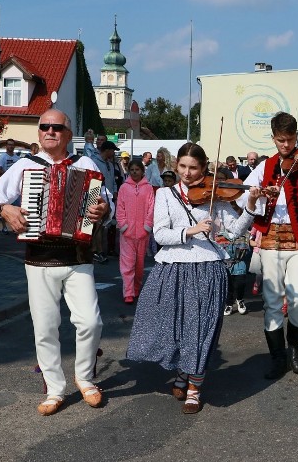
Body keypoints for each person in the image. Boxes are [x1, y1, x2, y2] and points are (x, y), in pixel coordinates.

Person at [0, 108, 114, 416]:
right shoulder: (26, 165)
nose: (50, 131)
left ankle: (85, 378)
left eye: (57, 127)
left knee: (91, 321)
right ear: (39, 132)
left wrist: (102, 211)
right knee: (45, 328)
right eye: (44, 127)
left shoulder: (85, 163)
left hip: (78, 257)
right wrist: (5, 208)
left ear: (68, 135)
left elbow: (106, 202)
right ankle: (55, 389)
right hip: (39, 258)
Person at [125, 142, 261, 414]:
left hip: (208, 268)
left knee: (200, 328)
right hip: (172, 268)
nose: (187, 173)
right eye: (183, 167)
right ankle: (181, 372)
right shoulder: (164, 194)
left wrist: (250, 206)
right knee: (172, 325)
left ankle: (195, 386)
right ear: (176, 165)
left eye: (194, 168)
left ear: (204, 168)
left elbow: (233, 233)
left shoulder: (217, 196)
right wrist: (191, 230)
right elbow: (160, 235)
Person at [238, 112, 298, 378]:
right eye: (280, 141)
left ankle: (295, 345)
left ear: (296, 136)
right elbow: (245, 199)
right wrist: (257, 196)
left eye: (289, 140)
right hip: (269, 239)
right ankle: (277, 356)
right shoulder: (265, 167)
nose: (285, 147)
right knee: (272, 301)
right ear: (274, 138)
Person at [115, 158, 154, 304]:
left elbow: (151, 208)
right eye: (131, 170)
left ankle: (137, 287)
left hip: (143, 233)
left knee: (139, 264)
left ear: (142, 171)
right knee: (127, 263)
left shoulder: (148, 188)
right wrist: (123, 225)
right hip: (127, 233)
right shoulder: (124, 188)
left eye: (137, 170)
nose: (134, 172)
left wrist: (147, 226)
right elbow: (120, 208)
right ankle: (128, 292)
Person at [91, 140, 120, 263]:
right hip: (98, 195)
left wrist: (114, 192)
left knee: (104, 225)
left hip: (109, 197)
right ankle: (97, 251)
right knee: (98, 224)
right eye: (112, 150)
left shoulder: (110, 163)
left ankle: (99, 250)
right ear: (107, 150)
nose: (113, 153)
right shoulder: (94, 161)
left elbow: (112, 179)